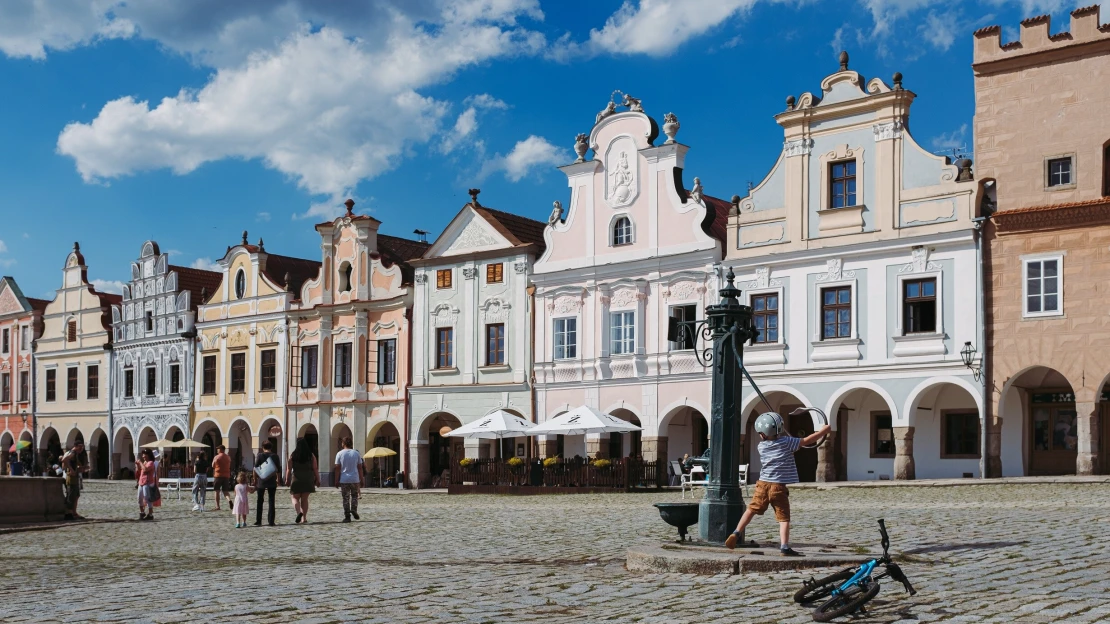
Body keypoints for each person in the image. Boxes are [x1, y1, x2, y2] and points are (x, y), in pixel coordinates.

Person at [725, 412, 829, 556]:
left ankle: (736, 533)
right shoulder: (787, 442)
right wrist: (824, 430)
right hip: (778, 487)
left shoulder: (761, 446)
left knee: (751, 509)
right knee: (783, 517)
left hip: (762, 484)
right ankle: (785, 547)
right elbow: (807, 441)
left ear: (762, 434)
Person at [285, 438, 319, 524]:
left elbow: (289, 469)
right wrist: (318, 479)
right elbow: (315, 468)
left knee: (294, 497)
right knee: (304, 499)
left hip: (296, 479)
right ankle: (304, 518)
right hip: (308, 479)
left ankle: (298, 512)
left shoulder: (293, 456)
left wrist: (287, 479)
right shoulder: (311, 455)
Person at [333, 437, 364, 523]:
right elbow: (360, 468)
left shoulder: (339, 454)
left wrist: (336, 480)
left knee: (345, 498)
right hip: (354, 478)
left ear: (343, 444)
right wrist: (362, 479)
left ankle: (347, 516)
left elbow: (337, 468)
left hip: (344, 479)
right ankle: (354, 509)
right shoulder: (356, 453)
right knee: (354, 496)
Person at [253, 441, 281, 526]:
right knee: (271, 500)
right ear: (271, 447)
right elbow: (278, 470)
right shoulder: (275, 456)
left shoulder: (260, 455)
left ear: (263, 447)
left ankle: (258, 520)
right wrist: (278, 480)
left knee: (260, 500)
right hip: (272, 480)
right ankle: (271, 521)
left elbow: (255, 468)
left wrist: (255, 479)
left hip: (262, 480)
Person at [60, 442, 88, 520]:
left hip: (74, 476)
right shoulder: (72, 452)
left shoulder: (74, 453)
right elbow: (64, 460)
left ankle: (73, 513)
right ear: (75, 446)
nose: (81, 449)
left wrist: (81, 468)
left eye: (82, 448)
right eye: (80, 447)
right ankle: (68, 513)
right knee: (71, 495)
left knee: (76, 495)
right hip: (70, 477)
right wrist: (71, 470)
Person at [136, 449, 159, 521]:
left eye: (144, 454)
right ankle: (142, 512)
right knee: (139, 498)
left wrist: (140, 463)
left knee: (147, 498)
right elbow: (141, 471)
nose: (143, 456)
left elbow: (145, 469)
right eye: (142, 455)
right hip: (141, 482)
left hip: (148, 482)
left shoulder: (151, 463)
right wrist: (138, 465)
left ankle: (150, 514)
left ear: (148, 455)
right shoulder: (145, 462)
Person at [210, 445, 234, 511]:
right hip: (226, 476)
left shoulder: (217, 457)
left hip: (218, 475)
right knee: (225, 491)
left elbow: (213, 465)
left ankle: (217, 506)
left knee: (217, 491)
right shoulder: (228, 457)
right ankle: (229, 500)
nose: (217, 450)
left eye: (218, 449)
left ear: (221, 449)